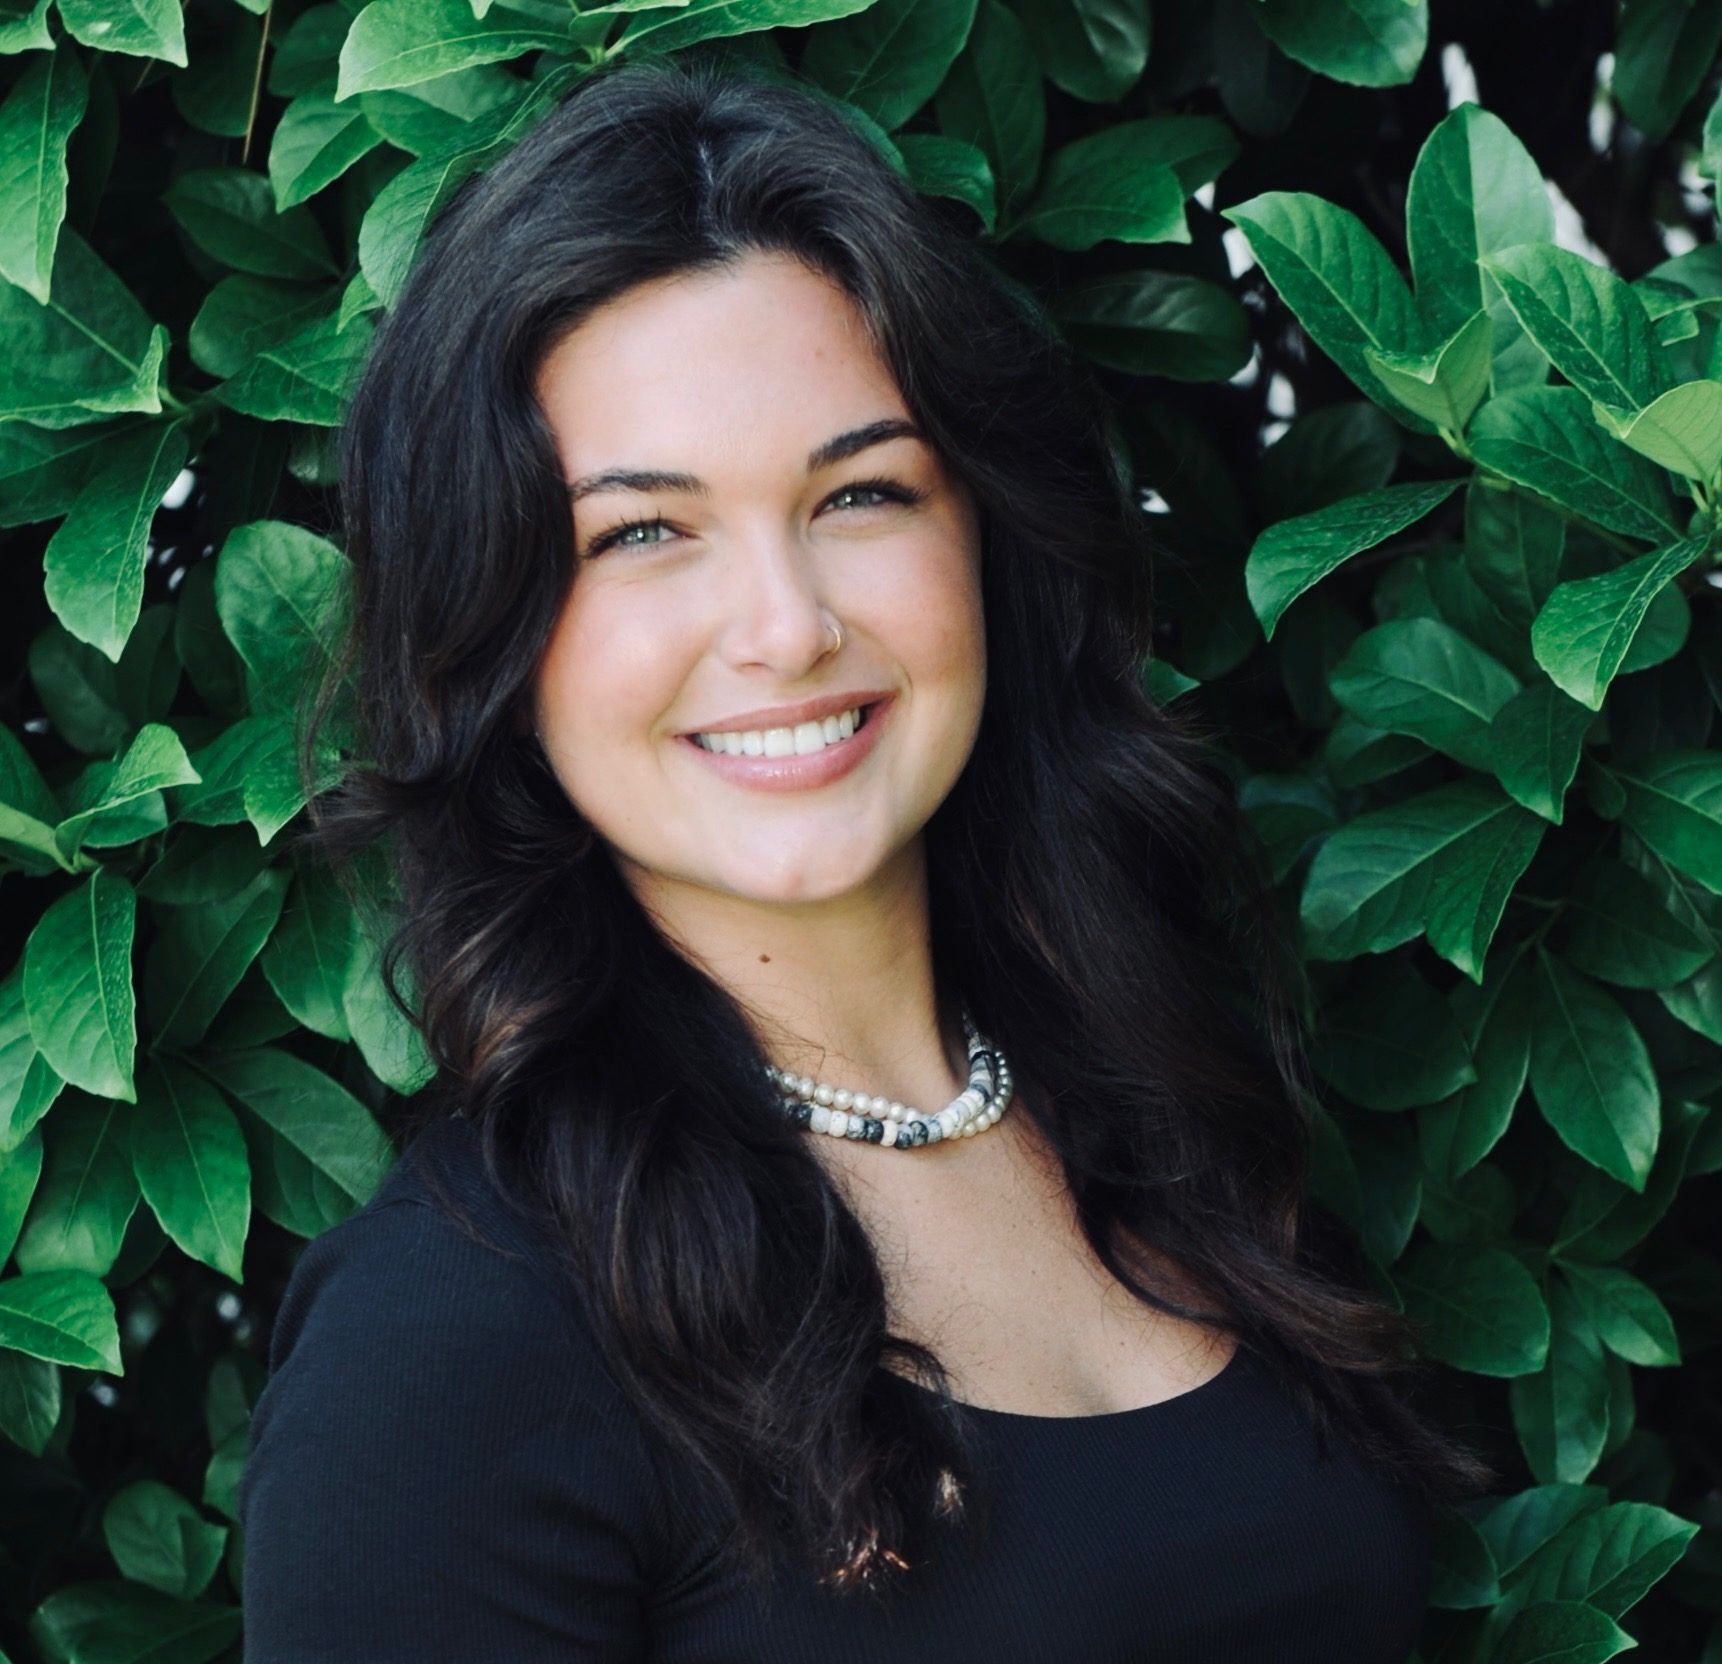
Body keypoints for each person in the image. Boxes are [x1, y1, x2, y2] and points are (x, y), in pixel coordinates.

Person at [237, 53, 1493, 1662]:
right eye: (641, 532)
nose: (785, 625)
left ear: (983, 535)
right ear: (497, 628)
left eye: (861, 493)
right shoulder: (452, 1347)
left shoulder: (1166, 1116)